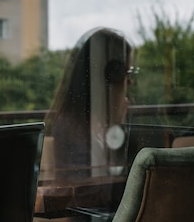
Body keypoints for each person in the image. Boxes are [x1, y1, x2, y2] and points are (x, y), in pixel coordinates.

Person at [44, 26, 134, 179]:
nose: (130, 82)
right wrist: (115, 127)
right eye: (127, 73)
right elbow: (99, 188)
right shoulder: (72, 129)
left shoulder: (88, 124)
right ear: (113, 76)